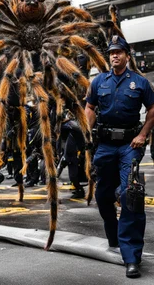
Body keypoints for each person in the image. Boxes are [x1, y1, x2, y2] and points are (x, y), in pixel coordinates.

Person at [85, 35, 154, 279]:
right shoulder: (98, 81)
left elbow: (153, 109)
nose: (114, 55)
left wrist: (144, 134)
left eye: (119, 52)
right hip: (104, 146)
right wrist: (87, 132)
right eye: (111, 52)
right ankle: (113, 235)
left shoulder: (140, 83)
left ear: (127, 55)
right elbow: (90, 107)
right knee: (103, 196)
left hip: (129, 145)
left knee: (130, 196)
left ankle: (131, 257)